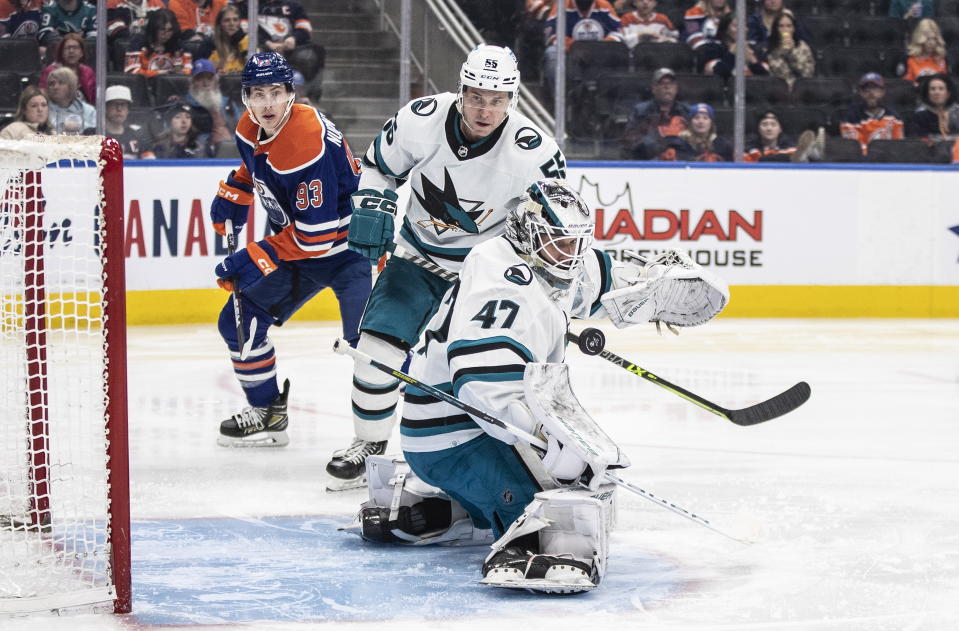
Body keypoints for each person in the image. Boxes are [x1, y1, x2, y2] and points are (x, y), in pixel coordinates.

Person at [343, 180, 728, 593]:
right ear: (528, 232)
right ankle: (527, 542)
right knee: (567, 503)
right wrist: (549, 443)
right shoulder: (502, 278)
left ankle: (442, 508)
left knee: (575, 475)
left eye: (576, 243)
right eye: (560, 242)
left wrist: (652, 283)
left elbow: (594, 277)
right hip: (457, 438)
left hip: (453, 435)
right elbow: (482, 385)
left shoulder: (540, 259)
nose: (570, 255)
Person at [327, 45, 567, 490]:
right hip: (417, 257)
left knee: (485, 372)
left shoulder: (534, 153)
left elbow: (556, 223)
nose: (485, 108)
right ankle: (369, 443)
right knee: (377, 351)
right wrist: (375, 199)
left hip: (485, 274)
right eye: (476, 95)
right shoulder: (422, 119)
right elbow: (379, 167)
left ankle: (514, 448)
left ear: (512, 99)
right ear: (461, 91)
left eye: (497, 99)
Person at [209, 52, 371, 448]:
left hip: (352, 251)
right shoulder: (250, 126)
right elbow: (257, 162)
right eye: (257, 94)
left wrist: (256, 255)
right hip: (300, 250)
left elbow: (317, 236)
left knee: (370, 352)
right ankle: (267, 411)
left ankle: (383, 440)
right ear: (245, 97)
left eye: (276, 93)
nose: (267, 104)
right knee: (239, 322)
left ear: (291, 94)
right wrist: (238, 186)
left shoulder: (305, 143)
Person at [542, 0, 622, 92]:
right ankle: (562, 99)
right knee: (551, 52)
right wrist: (574, 46)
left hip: (599, 54)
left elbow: (618, 32)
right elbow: (551, 34)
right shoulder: (562, 5)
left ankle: (610, 97)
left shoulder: (604, 5)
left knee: (618, 52)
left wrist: (601, 45)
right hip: (569, 54)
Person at [621, 67, 689, 159]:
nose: (667, 87)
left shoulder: (686, 111)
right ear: (654, 89)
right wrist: (657, 147)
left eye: (671, 83)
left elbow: (694, 139)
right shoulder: (640, 111)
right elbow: (630, 140)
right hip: (647, 162)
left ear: (676, 88)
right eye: (662, 83)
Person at [184, 57, 242, 150]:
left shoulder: (228, 103)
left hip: (232, 150)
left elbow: (243, 128)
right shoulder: (185, 106)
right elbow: (182, 137)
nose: (206, 83)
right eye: (200, 78)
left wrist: (231, 139)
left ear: (215, 81)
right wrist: (210, 139)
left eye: (209, 78)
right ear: (192, 82)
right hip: (199, 153)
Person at [840, 73, 905, 153]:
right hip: (863, 163)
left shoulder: (895, 118)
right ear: (861, 93)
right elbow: (854, 150)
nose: (871, 93)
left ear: (882, 92)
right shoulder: (850, 118)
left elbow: (899, 148)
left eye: (875, 88)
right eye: (866, 89)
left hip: (889, 163)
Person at [124, 8, 193, 76]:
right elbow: (131, 72)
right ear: (154, 28)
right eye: (162, 29)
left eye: (169, 30)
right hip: (143, 85)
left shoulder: (179, 46)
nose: (165, 34)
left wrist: (180, 71)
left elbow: (188, 71)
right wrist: (163, 73)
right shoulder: (138, 43)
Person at [701, 12, 769, 79]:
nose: (741, 30)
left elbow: (766, 79)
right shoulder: (713, 49)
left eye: (744, 25)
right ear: (725, 29)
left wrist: (752, 60)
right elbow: (717, 75)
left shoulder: (756, 50)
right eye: (736, 26)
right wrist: (732, 53)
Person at [661, 102, 733, 161]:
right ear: (690, 122)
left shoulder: (721, 145)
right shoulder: (678, 144)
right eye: (696, 118)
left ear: (711, 123)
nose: (701, 122)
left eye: (705, 118)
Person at [40, 33, 96, 105]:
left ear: (81, 53)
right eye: (67, 48)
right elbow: (42, 98)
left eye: (75, 48)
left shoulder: (88, 72)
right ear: (62, 52)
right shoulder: (51, 71)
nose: (71, 51)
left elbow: (94, 99)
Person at [765, 11, 814, 90]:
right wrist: (782, 51)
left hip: (799, 90)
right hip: (775, 90)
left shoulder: (802, 46)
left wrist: (791, 53)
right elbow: (775, 72)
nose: (785, 29)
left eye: (789, 26)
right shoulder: (770, 48)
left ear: (794, 28)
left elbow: (807, 74)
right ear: (776, 28)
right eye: (781, 26)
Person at [104, 84, 155, 159]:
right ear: (105, 108)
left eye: (123, 105)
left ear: (128, 110)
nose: (119, 109)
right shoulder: (93, 134)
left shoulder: (139, 135)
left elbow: (150, 165)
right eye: (114, 104)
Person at [46, 66, 96, 135]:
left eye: (61, 83)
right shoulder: (43, 110)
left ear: (71, 86)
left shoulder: (89, 111)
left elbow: (96, 135)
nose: (55, 87)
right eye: (52, 84)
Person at [910, 74, 959, 140]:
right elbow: (918, 140)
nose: (936, 92)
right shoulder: (920, 115)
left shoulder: (957, 112)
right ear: (927, 93)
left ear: (948, 93)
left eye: (941, 89)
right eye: (932, 89)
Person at [902, 18, 948, 83]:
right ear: (920, 39)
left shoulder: (940, 60)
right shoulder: (911, 60)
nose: (931, 43)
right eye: (928, 39)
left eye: (934, 38)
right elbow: (907, 85)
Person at [208, 4, 247, 74]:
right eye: (227, 20)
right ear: (219, 24)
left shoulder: (247, 41)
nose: (232, 24)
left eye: (235, 20)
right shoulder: (210, 44)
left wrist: (240, 38)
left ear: (239, 23)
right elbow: (203, 72)